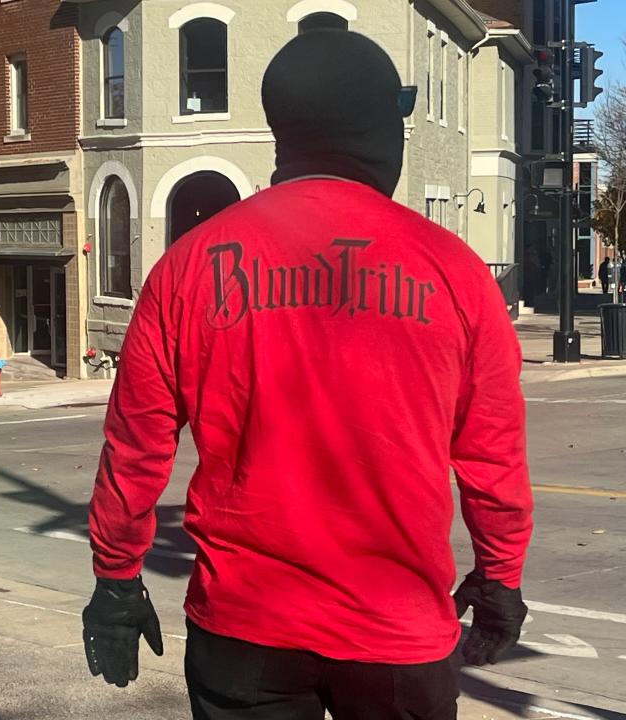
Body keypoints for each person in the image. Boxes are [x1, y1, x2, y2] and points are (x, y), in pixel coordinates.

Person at [82, 31, 532, 720]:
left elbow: (136, 444)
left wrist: (116, 580)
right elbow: (492, 454)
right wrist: (499, 579)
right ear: (382, 128)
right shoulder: (455, 273)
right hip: (397, 634)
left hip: (245, 629)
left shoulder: (190, 265)